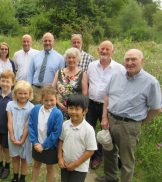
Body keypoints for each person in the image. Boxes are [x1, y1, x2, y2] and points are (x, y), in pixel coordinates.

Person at [96, 49, 161, 182]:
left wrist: (140, 123)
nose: (130, 62)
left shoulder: (151, 82)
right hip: (110, 120)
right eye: (127, 59)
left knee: (126, 160)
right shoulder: (116, 76)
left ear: (142, 61)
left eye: (134, 59)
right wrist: (104, 117)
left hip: (130, 126)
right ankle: (110, 178)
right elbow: (107, 96)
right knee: (109, 152)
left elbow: (156, 108)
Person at [86, 40, 124, 169]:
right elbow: (88, 83)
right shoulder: (91, 66)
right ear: (98, 50)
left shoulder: (119, 69)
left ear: (112, 51)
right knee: (89, 129)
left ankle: (98, 156)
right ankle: (89, 153)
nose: (104, 51)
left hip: (107, 107)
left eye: (107, 49)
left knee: (104, 132)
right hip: (91, 104)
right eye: (102, 49)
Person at [58, 95, 97, 182]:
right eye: (71, 108)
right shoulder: (65, 125)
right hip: (65, 164)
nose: (73, 111)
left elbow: (90, 150)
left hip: (80, 168)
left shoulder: (88, 130)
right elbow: (61, 140)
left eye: (77, 109)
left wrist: (75, 164)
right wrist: (60, 158)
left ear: (85, 111)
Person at [28, 86, 63, 182]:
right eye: (46, 100)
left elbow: (56, 133)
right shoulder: (36, 109)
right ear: (41, 99)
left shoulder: (58, 114)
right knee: (36, 165)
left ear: (56, 99)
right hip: (36, 144)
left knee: (50, 168)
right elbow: (30, 125)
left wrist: (43, 146)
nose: (49, 103)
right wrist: (35, 142)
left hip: (50, 147)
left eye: (52, 100)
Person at [6, 80, 34, 182]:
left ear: (29, 94)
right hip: (13, 136)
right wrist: (12, 135)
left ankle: (22, 178)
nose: (22, 96)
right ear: (15, 94)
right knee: (15, 157)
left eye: (25, 93)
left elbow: (27, 125)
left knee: (24, 158)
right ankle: (15, 177)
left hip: (25, 137)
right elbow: (9, 121)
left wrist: (22, 139)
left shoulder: (31, 108)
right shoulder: (10, 105)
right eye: (20, 93)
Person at [28, 32, 64, 104]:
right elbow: (30, 73)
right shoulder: (35, 56)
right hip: (35, 90)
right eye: (45, 41)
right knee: (36, 112)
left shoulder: (60, 58)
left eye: (49, 41)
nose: (47, 43)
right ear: (42, 42)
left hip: (50, 92)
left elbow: (61, 78)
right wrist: (29, 89)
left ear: (53, 42)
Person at [0, 70, 15, 180]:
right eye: (3, 81)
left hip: (8, 130)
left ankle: (7, 167)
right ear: (0, 82)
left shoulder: (14, 99)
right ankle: (0, 166)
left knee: (6, 149)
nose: (5, 83)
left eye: (8, 81)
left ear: (12, 83)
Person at [52, 47, 88, 119]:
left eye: (73, 57)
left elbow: (84, 94)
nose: (71, 60)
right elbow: (52, 89)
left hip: (75, 110)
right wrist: (58, 103)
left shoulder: (82, 74)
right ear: (66, 59)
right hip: (59, 108)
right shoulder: (59, 72)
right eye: (69, 57)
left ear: (77, 59)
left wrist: (78, 108)